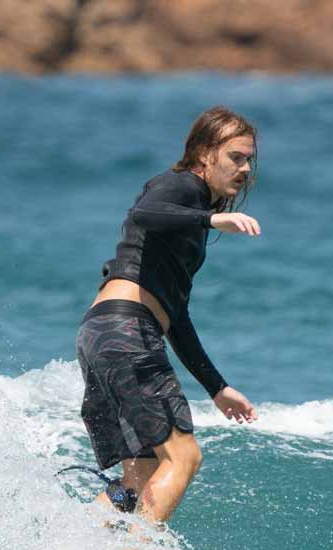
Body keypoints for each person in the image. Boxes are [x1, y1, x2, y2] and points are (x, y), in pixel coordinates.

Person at [75, 106, 261, 525]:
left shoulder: (187, 218)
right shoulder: (179, 185)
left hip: (101, 334)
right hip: (126, 330)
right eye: (236, 157)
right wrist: (212, 218)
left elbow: (175, 315)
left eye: (249, 160)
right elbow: (144, 213)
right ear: (204, 154)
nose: (246, 168)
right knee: (184, 456)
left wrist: (217, 387)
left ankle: (71, 547)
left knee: (139, 476)